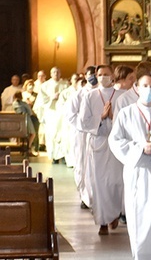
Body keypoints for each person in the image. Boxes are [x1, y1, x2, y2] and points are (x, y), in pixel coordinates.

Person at [108, 72, 151, 260]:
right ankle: (143, 258)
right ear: (137, 88)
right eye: (145, 86)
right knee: (139, 214)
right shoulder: (127, 113)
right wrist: (141, 148)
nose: (149, 90)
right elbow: (115, 141)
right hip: (138, 170)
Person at [78, 64, 125, 235]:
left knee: (115, 181)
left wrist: (113, 117)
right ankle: (102, 221)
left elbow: (127, 120)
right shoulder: (89, 96)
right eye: (100, 74)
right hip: (97, 143)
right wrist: (101, 117)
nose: (103, 77)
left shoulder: (121, 95)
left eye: (106, 74)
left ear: (113, 76)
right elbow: (83, 121)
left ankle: (114, 214)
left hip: (116, 143)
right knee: (99, 183)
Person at [66, 67, 97, 208]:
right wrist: (86, 124)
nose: (94, 77)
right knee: (81, 164)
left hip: (98, 133)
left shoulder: (101, 93)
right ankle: (83, 195)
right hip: (81, 134)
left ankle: (94, 196)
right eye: (92, 74)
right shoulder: (78, 95)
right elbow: (71, 116)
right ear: (85, 76)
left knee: (95, 165)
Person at [37, 67, 69, 163]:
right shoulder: (45, 85)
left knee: (62, 134)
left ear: (60, 73)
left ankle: (63, 155)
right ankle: (54, 156)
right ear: (50, 74)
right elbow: (41, 100)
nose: (56, 73)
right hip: (50, 113)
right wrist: (52, 97)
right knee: (52, 135)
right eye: (54, 72)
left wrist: (61, 98)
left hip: (62, 113)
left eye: (58, 72)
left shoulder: (65, 84)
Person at [12, 91, 37, 155]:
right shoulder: (24, 104)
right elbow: (30, 112)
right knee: (33, 134)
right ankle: (28, 147)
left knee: (24, 135)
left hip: (18, 121)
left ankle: (25, 147)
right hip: (26, 119)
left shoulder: (14, 103)